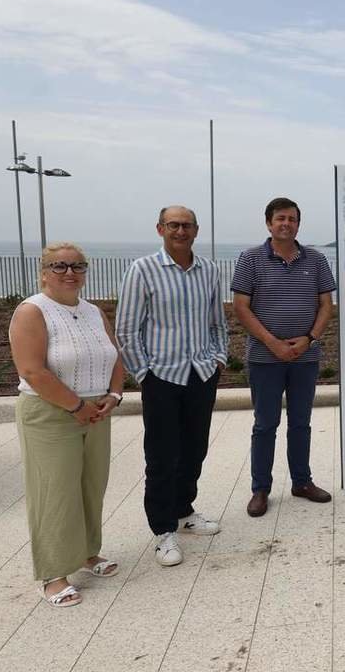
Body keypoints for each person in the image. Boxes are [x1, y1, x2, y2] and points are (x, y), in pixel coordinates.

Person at [9, 243, 126, 608]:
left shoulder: (92, 312)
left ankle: (89, 554)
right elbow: (32, 370)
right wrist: (76, 406)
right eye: (59, 266)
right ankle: (54, 574)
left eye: (77, 266)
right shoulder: (32, 311)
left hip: (94, 412)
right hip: (50, 414)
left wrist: (114, 394)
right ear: (43, 272)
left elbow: (114, 354)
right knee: (55, 494)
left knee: (91, 487)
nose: (69, 272)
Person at [117, 205, 229, 567]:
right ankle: (163, 529)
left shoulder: (209, 270)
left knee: (195, 448)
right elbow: (127, 328)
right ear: (160, 228)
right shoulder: (142, 270)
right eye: (173, 225)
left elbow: (218, 323)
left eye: (187, 225)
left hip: (200, 373)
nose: (180, 231)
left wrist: (218, 360)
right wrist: (144, 373)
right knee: (162, 455)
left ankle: (183, 511)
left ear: (196, 230)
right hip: (162, 377)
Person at [233, 197, 337, 518]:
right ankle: (260, 488)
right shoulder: (250, 259)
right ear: (268, 223)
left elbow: (326, 306)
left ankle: (302, 482)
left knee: (301, 423)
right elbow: (241, 307)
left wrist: (309, 339)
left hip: (305, 358)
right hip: (265, 359)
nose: (286, 224)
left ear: (298, 224)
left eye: (292, 219)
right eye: (280, 218)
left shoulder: (316, 260)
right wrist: (273, 343)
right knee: (265, 424)